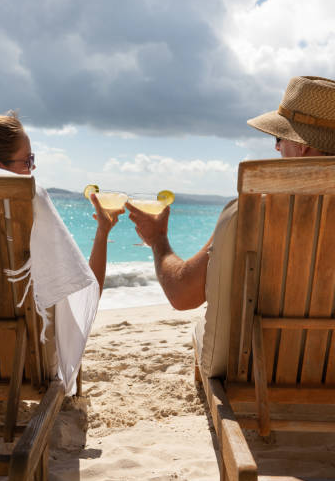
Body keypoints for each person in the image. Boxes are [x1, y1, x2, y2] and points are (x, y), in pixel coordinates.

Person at [126, 75, 335, 311]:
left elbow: (183, 294)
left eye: (279, 137)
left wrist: (157, 240)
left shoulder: (252, 214)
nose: (277, 147)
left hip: (261, 348)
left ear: (301, 145)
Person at [0, 111, 123, 295]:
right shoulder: (25, 218)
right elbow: (86, 296)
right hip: (18, 328)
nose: (33, 167)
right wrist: (102, 232)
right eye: (28, 160)